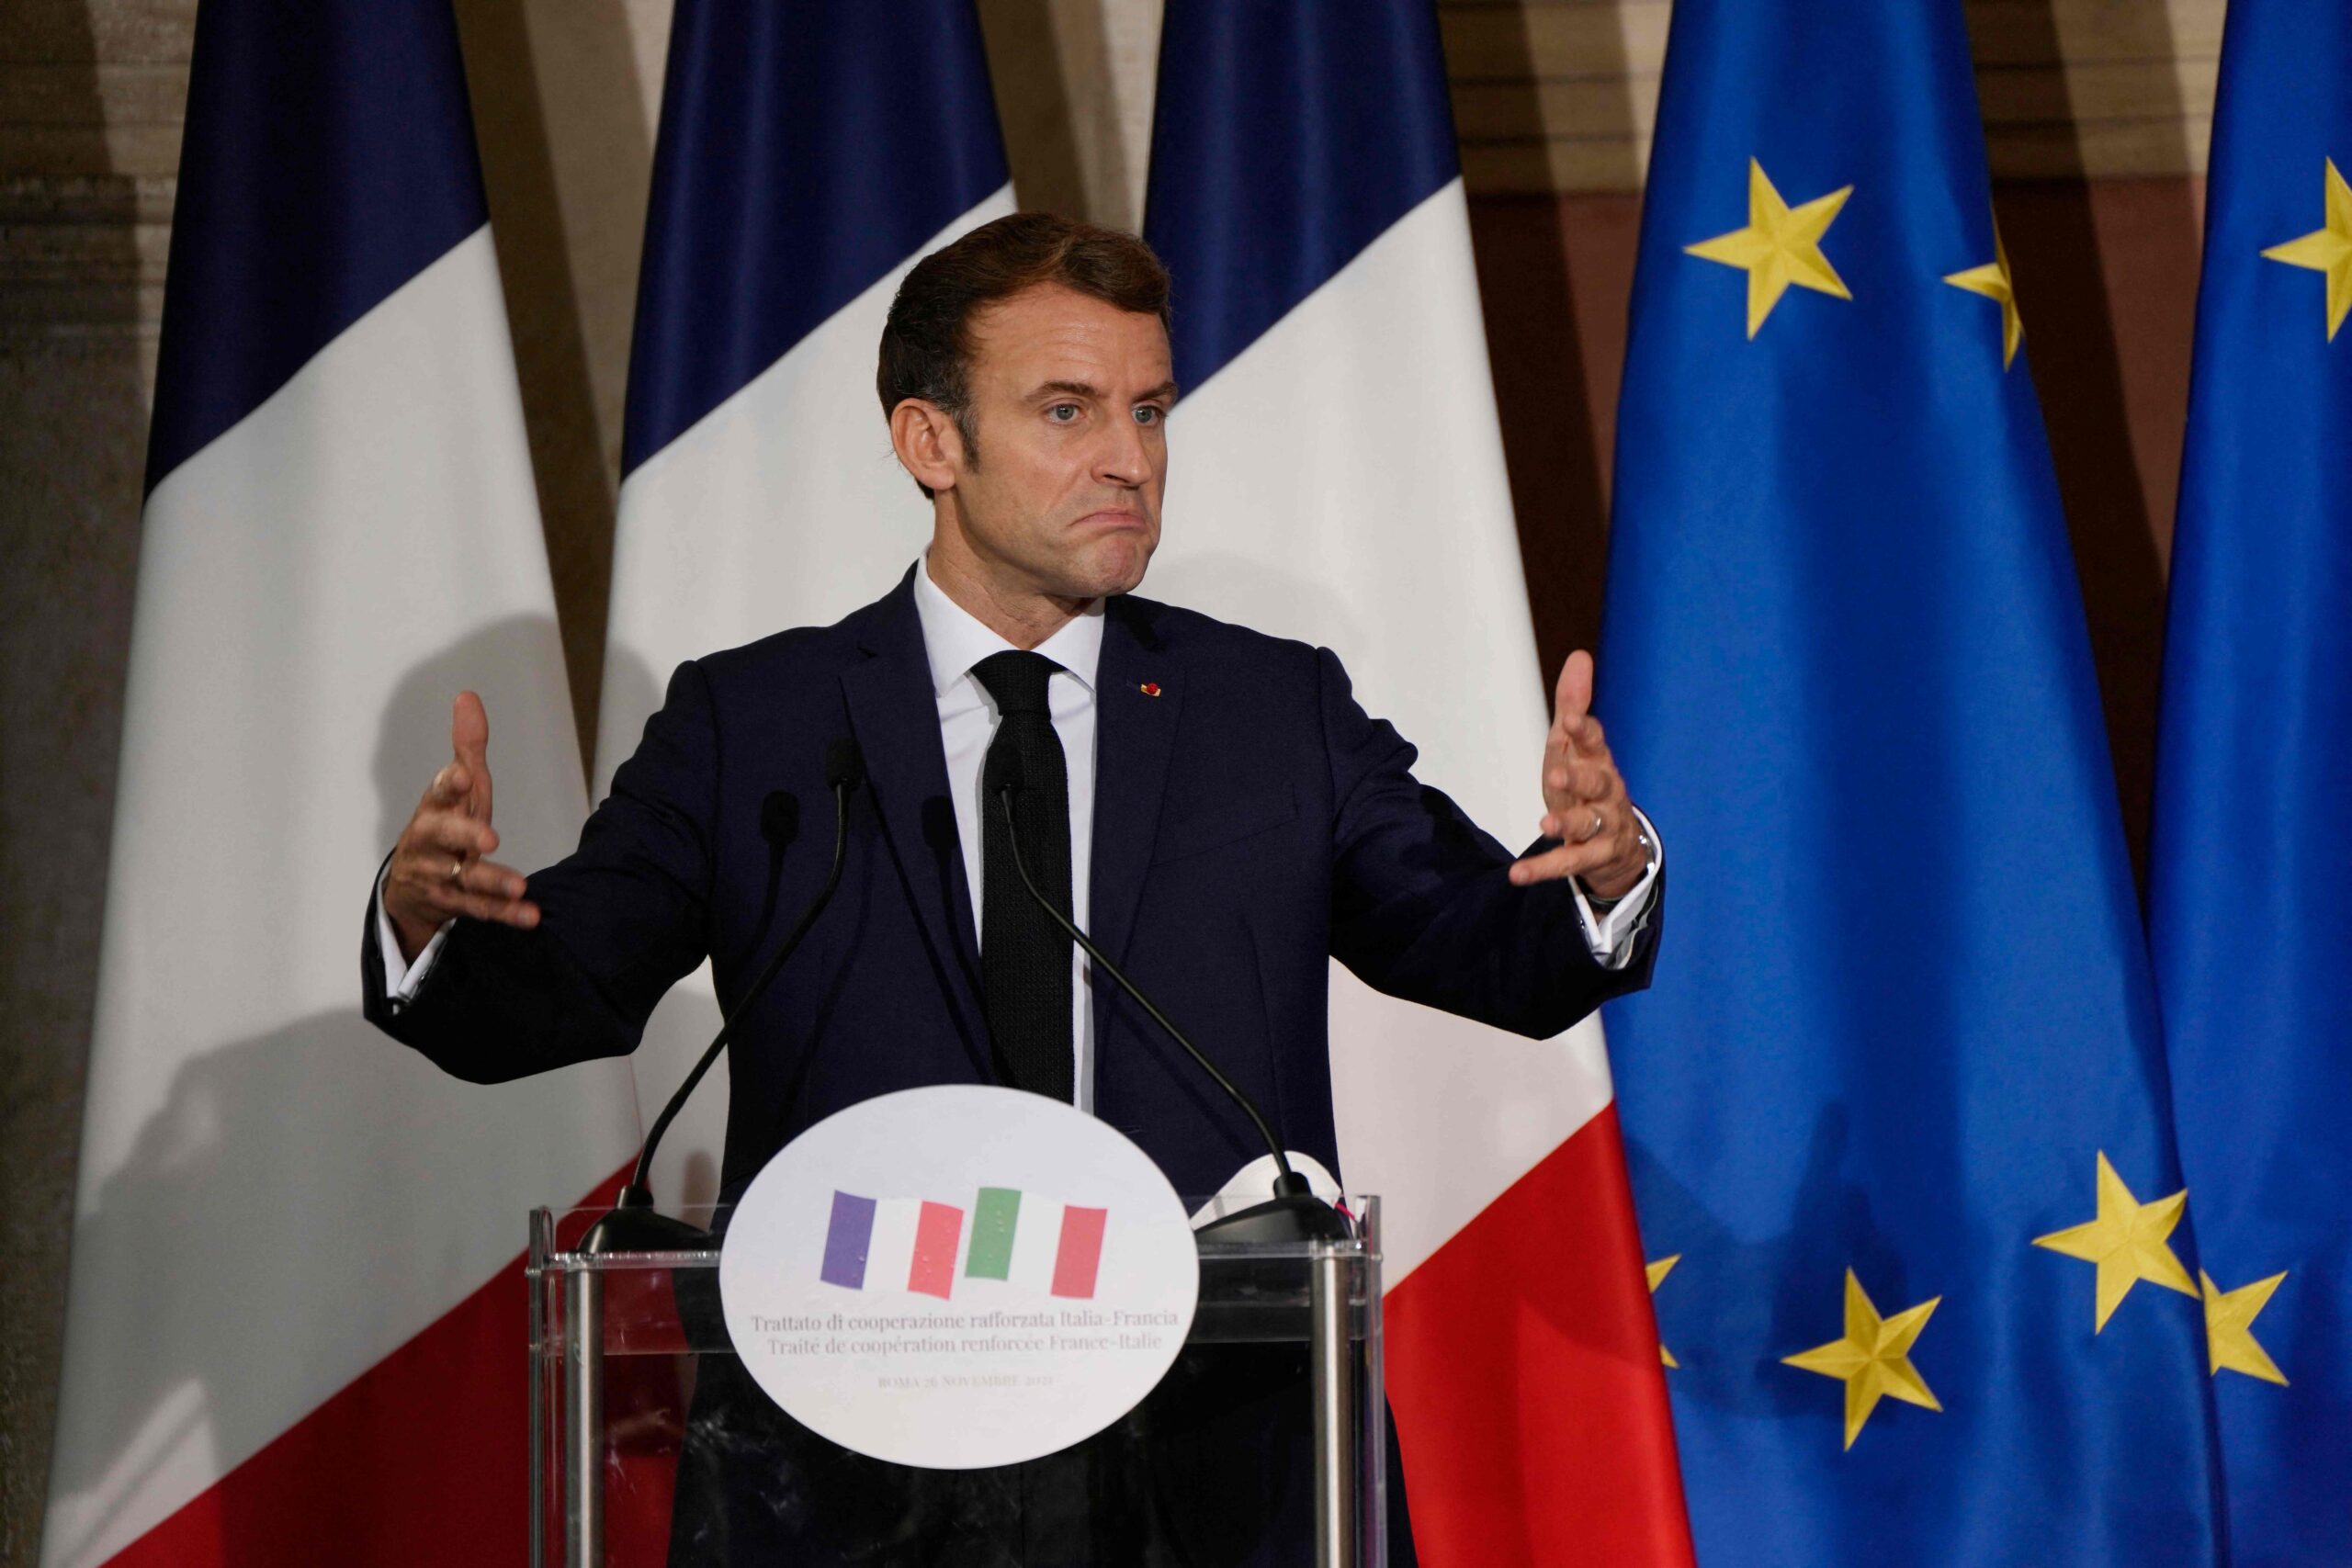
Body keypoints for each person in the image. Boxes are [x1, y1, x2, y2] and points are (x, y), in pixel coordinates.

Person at [363, 212, 1663, 1566]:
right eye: (1068, 410)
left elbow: (1486, 947)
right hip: (853, 1481)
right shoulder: (759, 724)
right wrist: (426, 927)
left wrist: (1600, 876)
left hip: (1214, 1471)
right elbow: (564, 983)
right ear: (931, 442)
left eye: (1150, 411)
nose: (1129, 459)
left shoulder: (1270, 713)